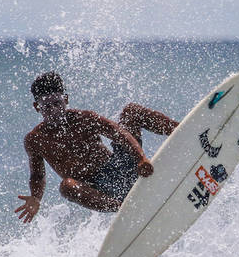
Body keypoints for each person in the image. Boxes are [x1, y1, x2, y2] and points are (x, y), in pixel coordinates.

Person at [15, 72, 179, 221]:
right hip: (99, 190)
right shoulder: (35, 139)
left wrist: (141, 158)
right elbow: (37, 176)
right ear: (37, 107)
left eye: (57, 103)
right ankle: (123, 208)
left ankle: (183, 130)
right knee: (67, 186)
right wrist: (35, 198)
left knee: (131, 111)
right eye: (47, 107)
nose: (54, 111)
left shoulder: (84, 118)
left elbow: (120, 134)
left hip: (121, 167)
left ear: (65, 99)